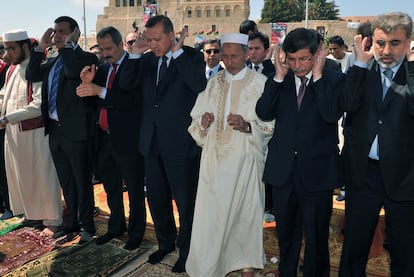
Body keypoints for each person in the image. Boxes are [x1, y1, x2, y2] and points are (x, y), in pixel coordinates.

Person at [119, 15, 207, 273]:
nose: (154, 44)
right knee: (156, 199)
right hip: (151, 143)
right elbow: (125, 84)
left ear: (172, 35)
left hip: (181, 144)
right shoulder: (145, 60)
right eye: (150, 39)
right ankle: (165, 243)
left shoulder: (190, 57)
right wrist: (134, 55)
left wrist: (177, 54)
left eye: (158, 39)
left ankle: (187, 251)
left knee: (185, 203)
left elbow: (199, 84)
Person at [255, 28, 346, 276]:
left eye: (303, 59)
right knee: (286, 236)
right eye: (292, 59)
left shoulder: (333, 79)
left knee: (316, 240)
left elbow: (330, 115)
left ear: (318, 55)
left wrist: (316, 77)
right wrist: (277, 77)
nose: (297, 65)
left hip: (317, 174)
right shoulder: (279, 78)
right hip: (283, 172)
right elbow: (263, 112)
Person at [186, 32, 274, 277]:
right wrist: (203, 122)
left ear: (247, 54)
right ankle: (211, 267)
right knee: (211, 219)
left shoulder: (260, 83)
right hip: (214, 161)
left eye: (235, 56)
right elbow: (196, 117)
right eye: (225, 56)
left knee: (243, 217)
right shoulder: (214, 82)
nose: (229, 61)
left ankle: (245, 267)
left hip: (244, 160)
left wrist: (248, 126)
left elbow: (272, 124)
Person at [338, 12, 414, 276]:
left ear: (408, 43)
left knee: (405, 253)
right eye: (380, 43)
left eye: (395, 43)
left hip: (405, 178)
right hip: (363, 175)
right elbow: (346, 105)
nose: (386, 50)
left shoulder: (411, 73)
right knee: (353, 250)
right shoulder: (362, 68)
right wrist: (359, 64)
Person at [26, 16, 98, 244]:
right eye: (55, 31)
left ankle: (87, 224)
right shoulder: (54, 60)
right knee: (66, 181)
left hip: (76, 133)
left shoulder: (84, 57)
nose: (57, 35)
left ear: (73, 33)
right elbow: (31, 74)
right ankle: (72, 223)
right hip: (55, 132)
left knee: (81, 180)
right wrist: (39, 48)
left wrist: (68, 45)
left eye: (62, 31)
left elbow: (72, 72)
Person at [76, 26, 146, 250]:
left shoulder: (136, 64)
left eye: (109, 48)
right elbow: (95, 103)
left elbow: (130, 101)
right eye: (102, 49)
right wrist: (88, 86)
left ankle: (136, 233)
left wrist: (98, 90)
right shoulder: (103, 69)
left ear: (121, 45)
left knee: (134, 190)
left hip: (128, 140)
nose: (105, 53)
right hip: (104, 139)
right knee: (112, 187)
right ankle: (116, 226)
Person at [0, 29, 62, 235]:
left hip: (35, 134)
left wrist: (8, 118)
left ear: (25, 47)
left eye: (12, 49)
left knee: (43, 177)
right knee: (21, 176)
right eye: (6, 49)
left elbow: (38, 105)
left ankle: (52, 221)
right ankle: (32, 214)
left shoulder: (36, 69)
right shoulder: (10, 70)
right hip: (13, 133)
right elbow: (3, 97)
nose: (7, 53)